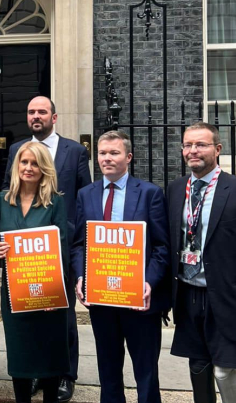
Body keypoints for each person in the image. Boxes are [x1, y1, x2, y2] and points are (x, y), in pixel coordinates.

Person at [168, 122, 236, 403]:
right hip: (188, 295)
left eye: (201, 144)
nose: (193, 150)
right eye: (188, 145)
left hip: (227, 298)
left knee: (224, 371)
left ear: (217, 149)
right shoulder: (175, 190)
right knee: (197, 367)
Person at [1, 95, 91, 402]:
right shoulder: (16, 149)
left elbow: (84, 196)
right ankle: (36, 372)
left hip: (59, 246)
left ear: (54, 116)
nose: (35, 116)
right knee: (28, 314)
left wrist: (70, 239)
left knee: (61, 319)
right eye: (31, 112)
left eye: (42, 111)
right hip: (23, 253)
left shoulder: (75, 150)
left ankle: (66, 375)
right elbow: (8, 188)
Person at [72, 131, 169, 403]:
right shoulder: (85, 194)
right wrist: (80, 277)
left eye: (114, 153)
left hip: (140, 300)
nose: (107, 158)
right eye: (102, 153)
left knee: (146, 372)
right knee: (108, 370)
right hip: (102, 299)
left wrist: (148, 282)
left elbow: (162, 246)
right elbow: (79, 243)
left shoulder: (150, 193)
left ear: (128, 157)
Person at [0, 142, 70, 403]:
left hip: (48, 296)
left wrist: (56, 294)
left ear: (44, 169)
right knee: (20, 357)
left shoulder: (56, 203)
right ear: (16, 165)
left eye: (35, 163)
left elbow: (62, 250)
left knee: (50, 357)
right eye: (24, 162)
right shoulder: (2, 200)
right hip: (15, 295)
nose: (28, 168)